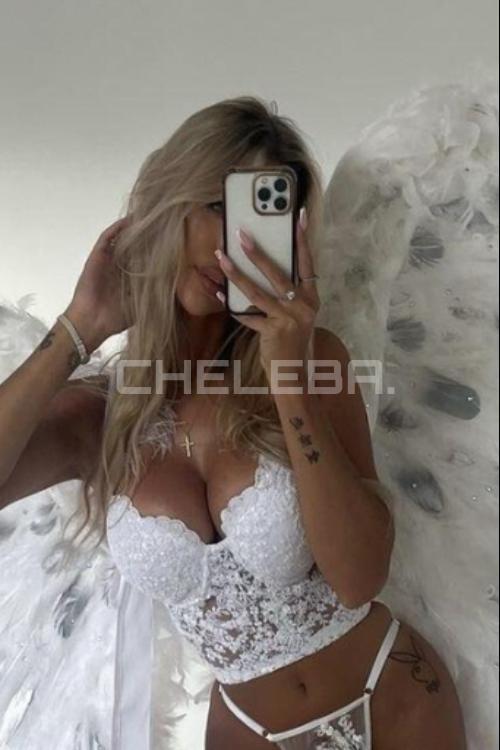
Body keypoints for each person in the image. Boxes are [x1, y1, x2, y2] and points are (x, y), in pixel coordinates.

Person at [0, 96, 468, 749]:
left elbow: (359, 577)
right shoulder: (102, 417)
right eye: (215, 207)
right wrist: (79, 327)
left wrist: (289, 381)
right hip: (244, 732)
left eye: (257, 215)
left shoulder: (313, 362)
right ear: (166, 206)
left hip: (390, 700)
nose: (231, 244)